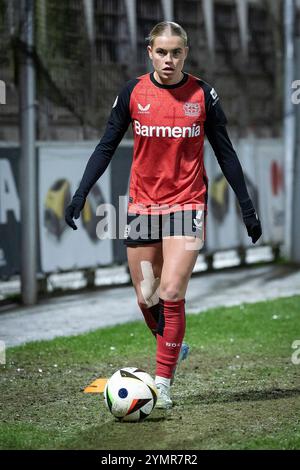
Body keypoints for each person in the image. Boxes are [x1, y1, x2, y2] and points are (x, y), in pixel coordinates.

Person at [65, 21, 262, 409]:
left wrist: (247, 206)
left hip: (187, 203)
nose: (168, 59)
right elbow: (106, 147)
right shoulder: (133, 93)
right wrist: (80, 193)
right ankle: (174, 344)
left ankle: (163, 383)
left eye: (176, 52)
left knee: (171, 291)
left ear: (185, 53)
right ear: (149, 53)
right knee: (146, 296)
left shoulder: (204, 95)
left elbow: (225, 152)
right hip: (141, 205)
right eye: (161, 52)